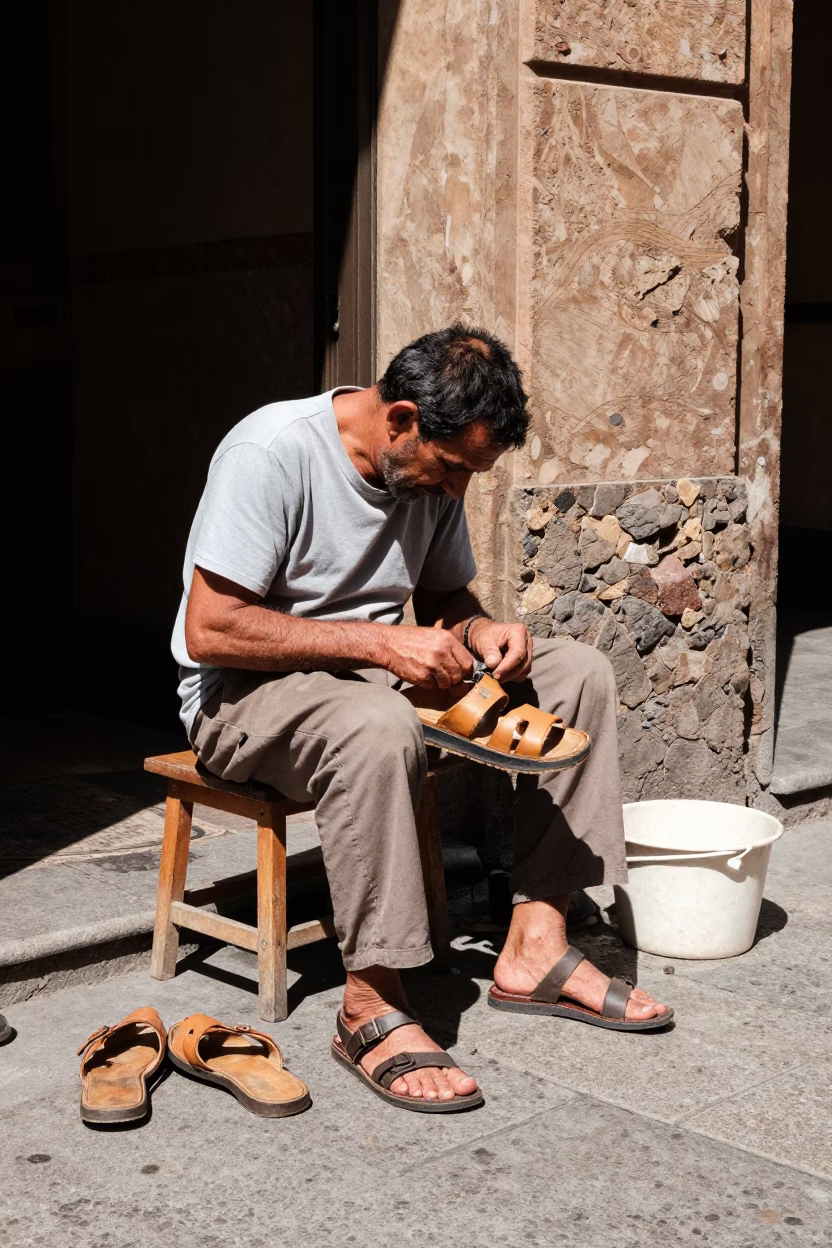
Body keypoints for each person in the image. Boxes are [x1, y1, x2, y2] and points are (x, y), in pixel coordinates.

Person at [172, 324, 670, 1114]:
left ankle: (536, 944)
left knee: (578, 674)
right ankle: (370, 1000)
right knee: (376, 723)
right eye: (453, 469)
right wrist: (379, 641)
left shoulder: (426, 476)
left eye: (473, 474)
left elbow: (443, 600)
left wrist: (479, 631)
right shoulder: (271, 453)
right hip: (242, 697)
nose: (456, 492)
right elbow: (213, 628)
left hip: (372, 679)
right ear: (401, 418)